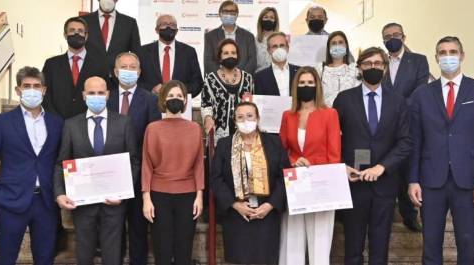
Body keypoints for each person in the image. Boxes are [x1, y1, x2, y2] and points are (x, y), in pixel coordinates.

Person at [408, 36, 474, 265]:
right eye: (443, 53)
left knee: (468, 246)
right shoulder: (421, 95)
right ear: (436, 58)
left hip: (468, 182)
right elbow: (415, 140)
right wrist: (413, 180)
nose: (448, 57)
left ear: (462, 55)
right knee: (430, 247)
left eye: (453, 51)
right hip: (430, 180)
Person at [0, 66, 63, 265]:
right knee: (6, 259)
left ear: (44, 90)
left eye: (36, 86)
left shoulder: (57, 123)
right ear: (18, 90)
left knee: (45, 259)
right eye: (26, 86)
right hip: (10, 203)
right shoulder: (1, 122)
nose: (32, 90)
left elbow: (62, 161)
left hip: (46, 203)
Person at [332, 47, 412, 264]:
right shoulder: (344, 99)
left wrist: (382, 167)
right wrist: (342, 166)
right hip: (353, 183)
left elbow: (405, 142)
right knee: (352, 248)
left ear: (385, 68)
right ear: (359, 67)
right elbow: (331, 140)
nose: (373, 68)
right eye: (367, 64)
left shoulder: (398, 101)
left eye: (378, 63)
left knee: (380, 247)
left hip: (385, 184)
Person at [53, 76, 140, 265]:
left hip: (114, 203)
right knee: (84, 255)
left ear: (108, 95)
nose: (96, 96)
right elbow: (62, 162)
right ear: (84, 96)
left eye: (101, 93)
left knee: (113, 256)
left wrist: (124, 192)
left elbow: (133, 161)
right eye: (91, 93)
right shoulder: (71, 125)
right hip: (83, 204)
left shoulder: (124, 123)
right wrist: (60, 193)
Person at [210, 101, 289, 265]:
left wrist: (270, 205)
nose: (245, 120)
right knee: (239, 259)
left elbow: (284, 177)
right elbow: (216, 179)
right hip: (236, 214)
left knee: (266, 259)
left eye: (249, 116)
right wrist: (235, 204)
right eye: (240, 117)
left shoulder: (274, 143)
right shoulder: (225, 145)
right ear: (235, 121)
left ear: (258, 119)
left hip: (267, 213)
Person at [278, 67, 341, 265]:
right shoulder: (288, 115)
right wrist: (292, 162)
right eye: (302, 83)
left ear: (318, 86)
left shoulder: (330, 114)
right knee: (292, 241)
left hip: (321, 182)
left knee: (320, 242)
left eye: (310, 83)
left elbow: (334, 154)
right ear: (296, 87)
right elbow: (281, 151)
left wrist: (315, 168)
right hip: (295, 182)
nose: (306, 87)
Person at [141, 80, 204, 265]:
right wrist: (146, 198)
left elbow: (199, 164)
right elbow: (147, 164)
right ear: (162, 100)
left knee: (184, 250)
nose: (175, 99)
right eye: (170, 96)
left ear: (185, 101)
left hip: (188, 195)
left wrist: (199, 195)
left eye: (179, 96)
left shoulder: (194, 128)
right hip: (159, 195)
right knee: (162, 250)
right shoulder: (152, 128)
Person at [107, 52, 161, 265]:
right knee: (113, 232)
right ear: (115, 71)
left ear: (139, 72)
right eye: (123, 66)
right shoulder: (105, 97)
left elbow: (153, 139)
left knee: (138, 231)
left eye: (132, 67)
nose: (128, 71)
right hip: (110, 174)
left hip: (140, 177)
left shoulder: (150, 100)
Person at [380, 22, 430, 232]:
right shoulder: (378, 62)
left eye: (396, 34)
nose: (392, 38)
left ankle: (410, 215)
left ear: (403, 37)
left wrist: (397, 108)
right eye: (387, 36)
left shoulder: (418, 61)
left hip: (409, 124)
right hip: (383, 126)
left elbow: (420, 91)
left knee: (409, 169)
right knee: (387, 168)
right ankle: (387, 213)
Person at [42, 17, 107, 119]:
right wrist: (55, 119)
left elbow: (104, 94)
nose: (76, 34)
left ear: (86, 36)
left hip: (88, 123)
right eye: (72, 30)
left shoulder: (100, 65)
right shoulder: (51, 64)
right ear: (65, 35)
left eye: (80, 31)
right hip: (57, 123)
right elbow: (45, 94)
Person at [202, 39, 254, 143]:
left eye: (233, 53)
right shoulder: (210, 79)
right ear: (220, 57)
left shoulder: (248, 78)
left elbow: (252, 105)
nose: (230, 56)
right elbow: (206, 105)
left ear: (237, 56)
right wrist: (207, 118)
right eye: (226, 53)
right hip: (219, 136)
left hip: (244, 135)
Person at [136, 14, 203, 95]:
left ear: (177, 30)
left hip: (179, 104)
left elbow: (197, 82)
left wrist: (180, 91)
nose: (169, 27)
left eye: (172, 25)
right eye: (164, 24)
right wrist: (151, 90)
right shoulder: (142, 52)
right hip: (149, 103)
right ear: (157, 30)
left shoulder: (189, 52)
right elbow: (135, 81)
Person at [81, 0, 141, 76]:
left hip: (118, 78)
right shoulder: (84, 21)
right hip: (90, 76)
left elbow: (136, 53)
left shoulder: (129, 23)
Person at [204, 0, 257, 75]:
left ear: (237, 14)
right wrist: (223, 76)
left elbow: (252, 61)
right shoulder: (210, 36)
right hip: (219, 80)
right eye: (225, 11)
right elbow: (208, 62)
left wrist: (240, 76)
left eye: (232, 12)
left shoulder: (248, 36)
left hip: (243, 81)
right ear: (220, 14)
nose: (229, 14)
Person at [317, 31, 359, 107]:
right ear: (328, 48)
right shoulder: (320, 69)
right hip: (326, 115)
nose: (337, 45)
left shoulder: (354, 69)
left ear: (346, 46)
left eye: (340, 42)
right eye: (333, 43)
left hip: (349, 115)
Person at [254, 32, 300, 97]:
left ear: (287, 48)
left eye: (282, 45)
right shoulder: (259, 77)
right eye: (274, 46)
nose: (279, 49)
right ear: (269, 50)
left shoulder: (300, 72)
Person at [255, 7, 280, 72]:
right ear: (261, 20)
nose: (268, 19)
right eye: (265, 17)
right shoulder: (254, 40)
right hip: (259, 76)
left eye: (272, 18)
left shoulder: (281, 40)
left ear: (275, 21)